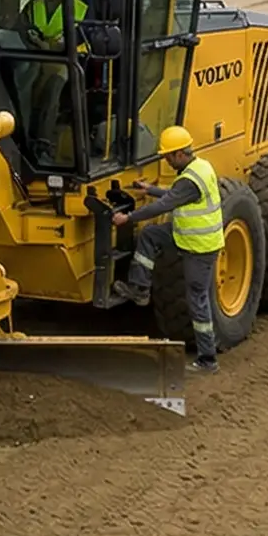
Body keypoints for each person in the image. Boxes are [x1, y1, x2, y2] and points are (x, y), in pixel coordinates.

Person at [107, 125, 225, 373]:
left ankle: (208, 358)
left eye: (169, 157)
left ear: (181, 154)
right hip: (186, 236)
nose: (167, 161)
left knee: (197, 299)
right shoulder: (198, 168)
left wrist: (128, 218)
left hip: (200, 247)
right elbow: (174, 195)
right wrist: (149, 189)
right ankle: (139, 289)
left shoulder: (190, 180)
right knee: (150, 235)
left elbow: (164, 205)